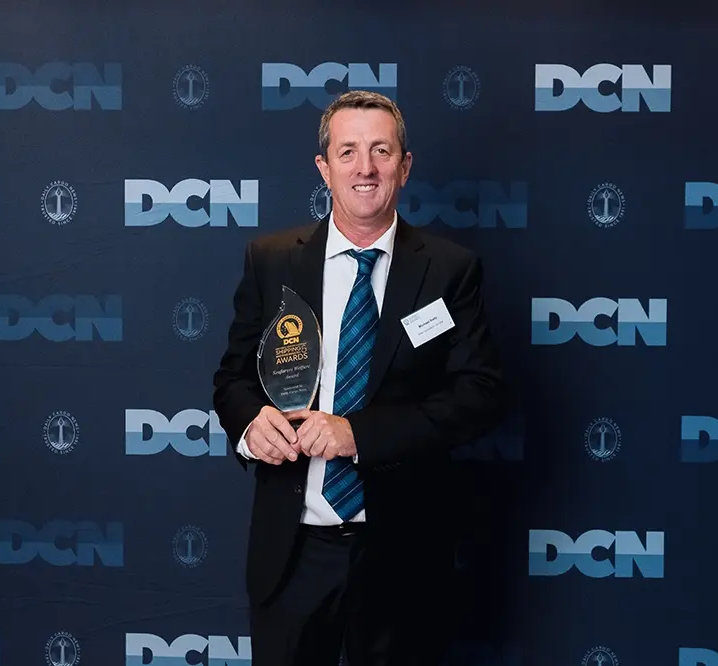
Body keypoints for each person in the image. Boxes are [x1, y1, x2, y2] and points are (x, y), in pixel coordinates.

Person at [212, 89, 505, 666]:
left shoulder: (449, 269)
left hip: (402, 551)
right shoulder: (271, 259)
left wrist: (358, 435)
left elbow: (480, 394)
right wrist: (249, 424)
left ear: (405, 165)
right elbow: (233, 380)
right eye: (347, 152)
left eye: (381, 151)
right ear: (324, 168)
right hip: (294, 552)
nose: (364, 168)